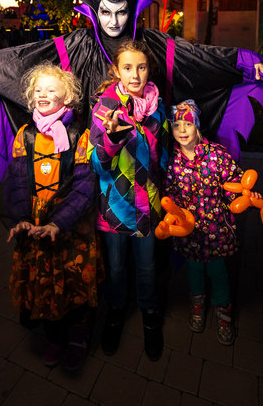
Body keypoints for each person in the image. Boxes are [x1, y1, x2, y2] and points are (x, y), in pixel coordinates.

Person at [0, 0, 263, 190]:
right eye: (106, 13)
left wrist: (245, 63)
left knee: (144, 253)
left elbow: (197, 57)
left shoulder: (153, 43)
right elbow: (24, 57)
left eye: (122, 12)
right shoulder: (75, 44)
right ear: (94, 11)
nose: (114, 21)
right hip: (93, 163)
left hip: (144, 165)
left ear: (133, 10)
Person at [0, 62, 104, 371]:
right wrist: (20, 218)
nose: (44, 94)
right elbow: (17, 181)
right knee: (44, 279)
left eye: (52, 89)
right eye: (38, 90)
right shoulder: (24, 135)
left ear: (67, 97)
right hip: (35, 220)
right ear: (31, 96)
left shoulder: (80, 136)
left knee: (74, 278)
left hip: (72, 224)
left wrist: (60, 222)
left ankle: (79, 335)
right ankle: (55, 336)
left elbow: (85, 187)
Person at [88, 39, 169, 361]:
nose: (135, 75)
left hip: (149, 205)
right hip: (116, 205)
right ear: (116, 70)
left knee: (148, 267)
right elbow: (97, 164)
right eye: (127, 67)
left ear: (150, 69)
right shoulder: (105, 107)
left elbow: (162, 153)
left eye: (141, 66)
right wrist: (112, 138)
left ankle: (150, 317)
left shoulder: (158, 105)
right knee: (118, 267)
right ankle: (116, 313)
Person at [163, 99, 263, 346]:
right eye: (177, 125)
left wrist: (248, 195)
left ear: (197, 125)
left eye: (188, 123)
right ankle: (198, 307)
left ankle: (223, 312)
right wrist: (173, 214)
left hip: (216, 229)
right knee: (195, 271)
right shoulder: (171, 161)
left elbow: (234, 183)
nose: (183, 130)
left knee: (218, 272)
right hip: (190, 233)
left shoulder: (217, 154)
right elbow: (171, 192)